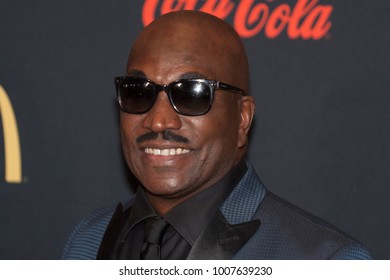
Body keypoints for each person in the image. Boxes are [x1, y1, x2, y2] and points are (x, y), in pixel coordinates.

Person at [62, 10, 372, 260]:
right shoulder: (88, 240)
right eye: (137, 92)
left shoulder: (328, 261)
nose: (157, 121)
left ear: (241, 119)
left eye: (191, 94)